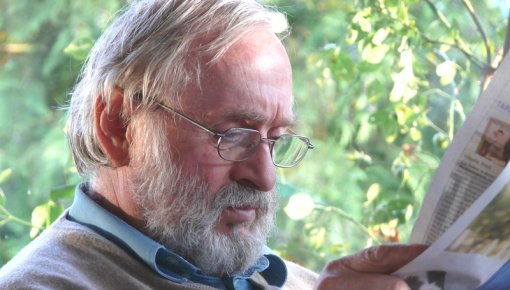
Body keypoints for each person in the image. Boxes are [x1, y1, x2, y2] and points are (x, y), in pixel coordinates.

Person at [0, 0, 425, 289]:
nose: (265, 176)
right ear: (118, 125)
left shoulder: (295, 282)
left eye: (276, 140)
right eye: (233, 136)